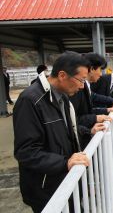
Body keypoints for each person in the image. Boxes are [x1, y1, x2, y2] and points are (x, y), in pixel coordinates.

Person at [13, 52, 91, 212]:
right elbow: (26, 152)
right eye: (81, 80)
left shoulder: (61, 96)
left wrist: (89, 131)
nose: (82, 86)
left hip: (62, 181)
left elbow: (64, 134)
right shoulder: (30, 100)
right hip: (45, 189)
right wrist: (64, 162)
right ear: (62, 75)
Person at [70, 53, 113, 148]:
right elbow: (74, 119)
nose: (101, 74)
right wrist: (95, 118)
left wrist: (106, 110)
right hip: (81, 143)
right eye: (100, 69)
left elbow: (90, 104)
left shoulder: (85, 85)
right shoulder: (77, 89)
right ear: (91, 69)